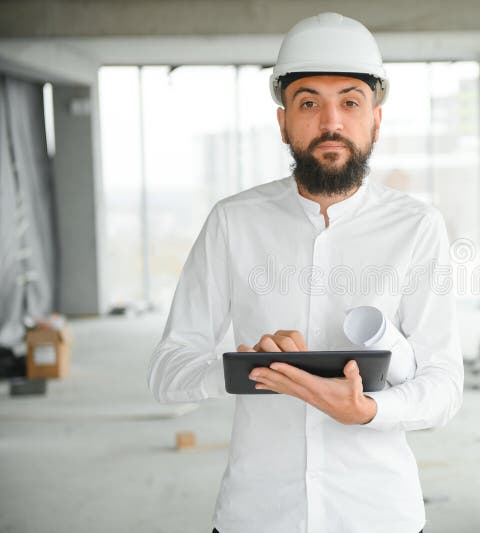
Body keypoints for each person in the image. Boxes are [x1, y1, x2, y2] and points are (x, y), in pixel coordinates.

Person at [148, 12, 463, 533]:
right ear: (283, 122)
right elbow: (167, 372)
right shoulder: (233, 222)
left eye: (350, 102)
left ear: (376, 120)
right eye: (309, 103)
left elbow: (444, 385)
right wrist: (246, 371)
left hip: (378, 514)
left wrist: (368, 412)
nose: (330, 122)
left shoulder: (417, 227)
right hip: (258, 513)